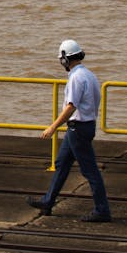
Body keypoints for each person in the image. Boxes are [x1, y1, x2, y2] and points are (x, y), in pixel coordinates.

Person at [26, 39, 112, 222]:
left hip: (78, 129)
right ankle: (48, 202)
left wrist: (52, 127)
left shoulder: (76, 77)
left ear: (65, 59)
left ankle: (102, 210)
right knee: (62, 163)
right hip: (85, 126)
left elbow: (71, 106)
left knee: (90, 172)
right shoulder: (89, 75)